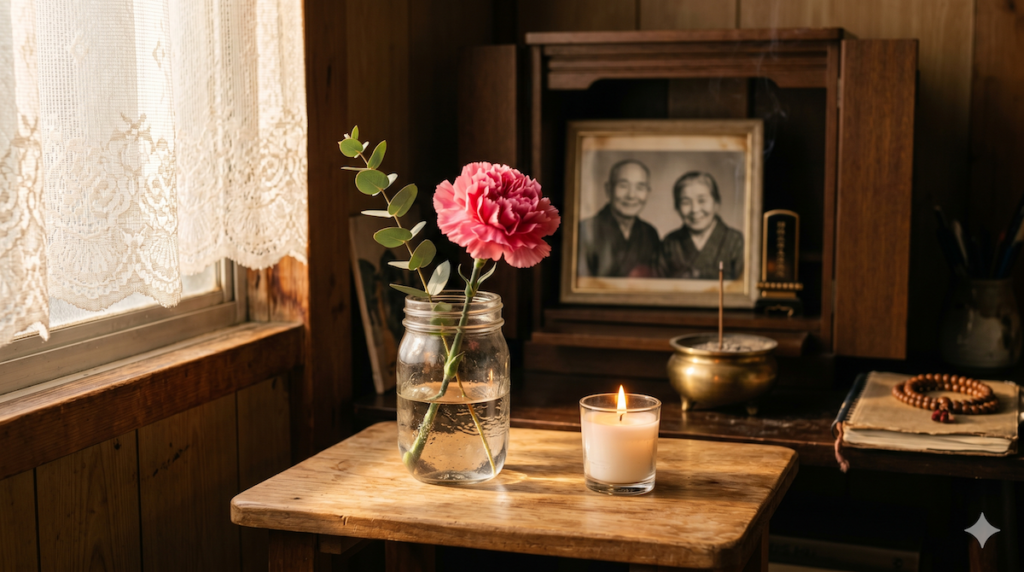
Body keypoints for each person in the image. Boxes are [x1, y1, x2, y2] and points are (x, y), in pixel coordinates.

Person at [578, 159, 661, 278]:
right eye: (623, 186)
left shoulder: (650, 233)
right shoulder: (586, 229)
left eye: (640, 187)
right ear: (608, 189)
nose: (631, 195)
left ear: (648, 192)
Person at [660, 171, 744, 280]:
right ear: (677, 208)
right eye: (686, 202)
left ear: (716, 203)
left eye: (702, 200)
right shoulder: (670, 243)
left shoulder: (735, 241)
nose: (695, 209)